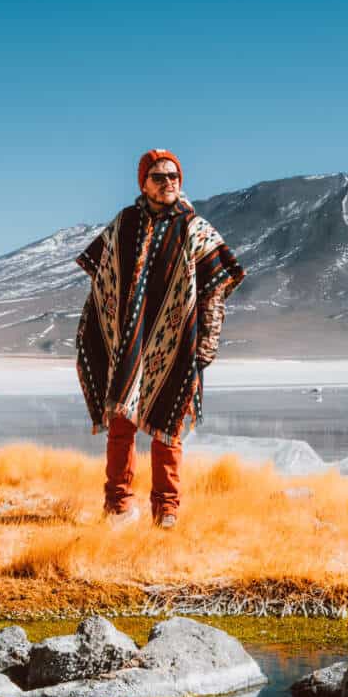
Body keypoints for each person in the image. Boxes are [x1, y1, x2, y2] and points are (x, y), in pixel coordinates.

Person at [75, 148, 244, 528]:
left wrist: (207, 343)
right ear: (143, 183)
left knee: (169, 426)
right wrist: (109, 324)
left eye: (173, 176)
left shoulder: (194, 228)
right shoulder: (125, 223)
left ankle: (166, 509)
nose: (168, 182)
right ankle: (117, 504)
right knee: (121, 424)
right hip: (129, 345)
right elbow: (104, 275)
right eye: (159, 177)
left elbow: (214, 291)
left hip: (179, 343)